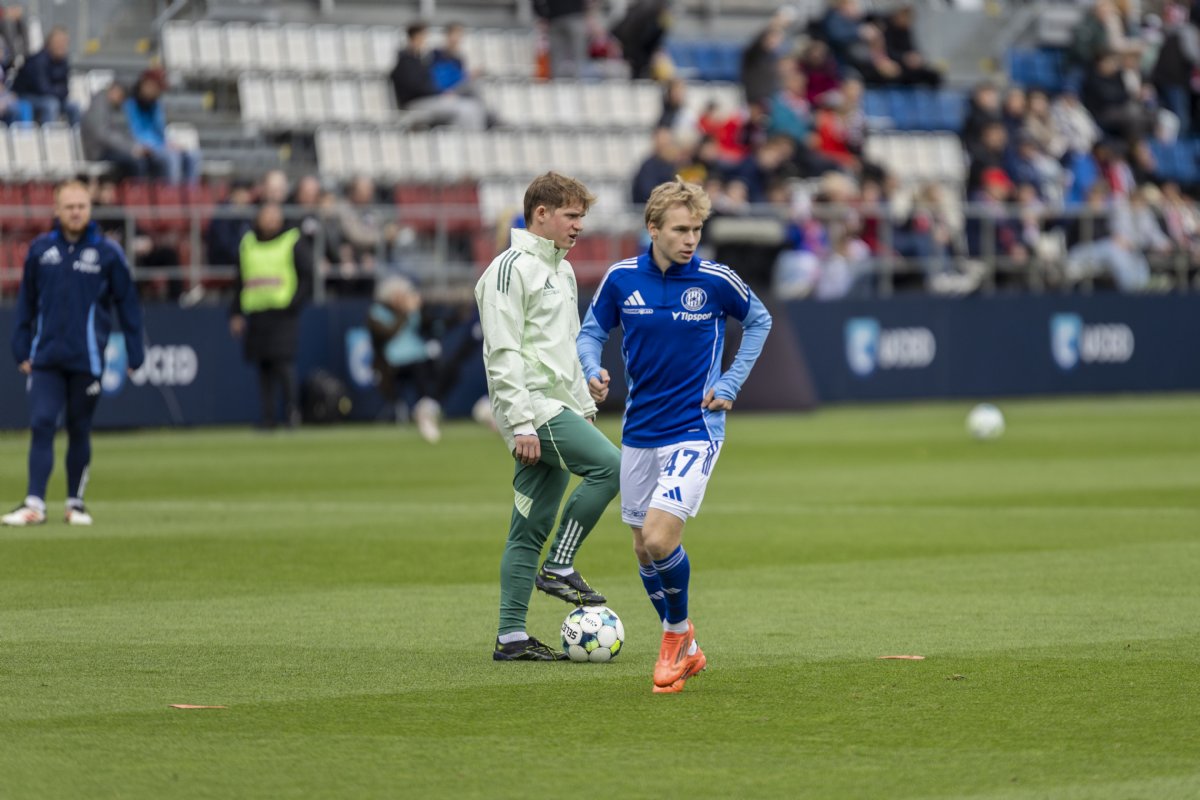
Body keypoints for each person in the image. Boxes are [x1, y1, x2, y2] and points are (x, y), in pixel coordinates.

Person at [577, 179, 772, 693]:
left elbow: (759, 320)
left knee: (661, 538)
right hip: (640, 430)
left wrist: (730, 381)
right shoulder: (621, 278)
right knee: (643, 550)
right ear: (653, 228)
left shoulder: (715, 280)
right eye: (681, 230)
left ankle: (676, 637)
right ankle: (688, 644)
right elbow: (591, 332)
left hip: (695, 427)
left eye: (697, 230)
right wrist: (591, 368)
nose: (691, 240)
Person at [474, 172, 621, 661]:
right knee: (612, 467)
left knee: (528, 528)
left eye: (582, 217)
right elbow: (502, 352)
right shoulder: (508, 269)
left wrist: (586, 404)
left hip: (556, 407)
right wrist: (520, 422)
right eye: (571, 215)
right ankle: (559, 565)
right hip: (533, 407)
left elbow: (568, 347)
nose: (579, 225)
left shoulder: (563, 270)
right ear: (541, 213)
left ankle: (511, 637)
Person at [3, 180, 145, 527]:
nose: (76, 212)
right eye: (69, 207)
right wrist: (20, 345)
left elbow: (128, 304)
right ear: (57, 210)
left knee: (79, 428)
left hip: (88, 358)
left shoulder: (108, 253)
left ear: (90, 209)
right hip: (46, 357)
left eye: (81, 206)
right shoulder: (40, 250)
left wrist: (135, 350)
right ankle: (34, 503)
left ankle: (75, 503)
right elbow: (26, 303)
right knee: (42, 423)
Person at [229, 203, 313, 430]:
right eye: (266, 216)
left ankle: (292, 413)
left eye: (274, 216)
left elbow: (307, 275)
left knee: (283, 363)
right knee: (263, 366)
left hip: (282, 313)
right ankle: (268, 417)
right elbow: (240, 280)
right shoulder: (248, 243)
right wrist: (235, 312)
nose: (270, 221)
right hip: (257, 312)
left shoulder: (291, 240)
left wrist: (293, 304)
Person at [390, 23, 487, 130]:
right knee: (467, 109)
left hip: (430, 99)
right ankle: (469, 138)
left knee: (472, 104)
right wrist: (441, 93)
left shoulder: (420, 61)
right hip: (417, 103)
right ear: (416, 38)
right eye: (423, 37)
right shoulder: (406, 63)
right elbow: (416, 88)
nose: (425, 42)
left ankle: (471, 136)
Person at [125, 69, 201, 185]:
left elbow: (160, 130)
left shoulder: (155, 104)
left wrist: (168, 143)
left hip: (159, 146)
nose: (158, 92)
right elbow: (134, 133)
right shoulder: (129, 103)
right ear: (146, 84)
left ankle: (191, 193)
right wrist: (157, 146)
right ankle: (172, 194)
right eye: (156, 87)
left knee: (193, 155)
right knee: (172, 158)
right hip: (141, 147)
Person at [80, 82, 154, 178]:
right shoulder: (99, 105)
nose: (122, 100)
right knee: (136, 162)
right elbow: (103, 135)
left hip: (113, 149)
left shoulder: (115, 107)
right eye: (121, 96)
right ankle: (136, 187)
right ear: (114, 90)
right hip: (98, 152)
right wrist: (131, 149)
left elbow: (125, 132)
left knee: (148, 159)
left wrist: (137, 146)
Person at [11, 25, 78, 125]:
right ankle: (48, 134)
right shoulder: (39, 60)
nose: (63, 46)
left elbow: (66, 88)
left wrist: (59, 91)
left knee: (74, 106)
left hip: (52, 97)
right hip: (26, 96)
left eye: (65, 43)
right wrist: (59, 91)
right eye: (59, 42)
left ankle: (79, 133)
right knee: (51, 105)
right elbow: (43, 89)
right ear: (50, 43)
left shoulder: (63, 61)